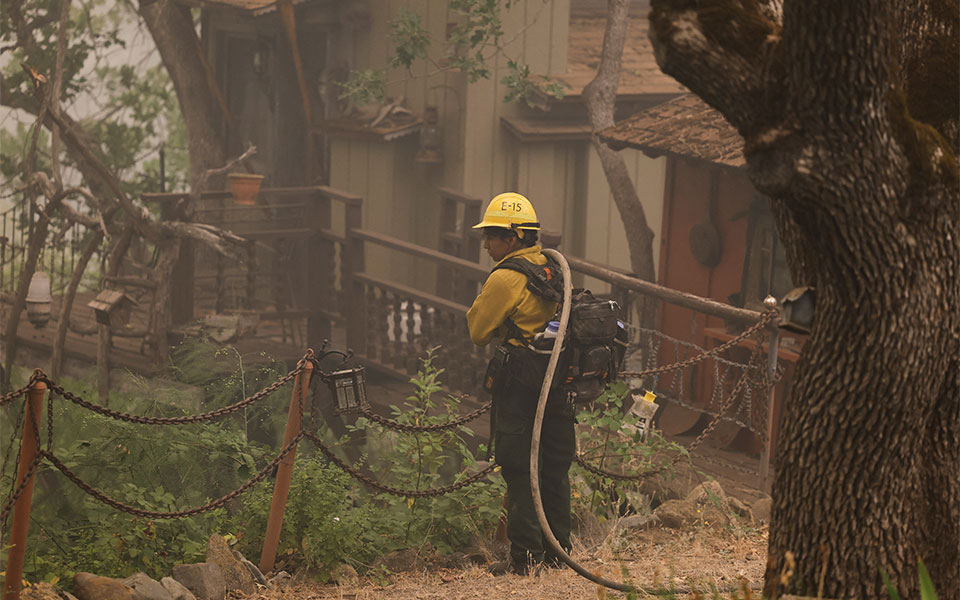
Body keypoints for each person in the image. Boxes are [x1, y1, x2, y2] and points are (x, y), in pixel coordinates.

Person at [465, 192, 575, 576]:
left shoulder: (506, 278)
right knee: (554, 465)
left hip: (521, 386)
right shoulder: (553, 267)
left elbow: (479, 331)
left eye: (491, 236)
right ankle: (559, 552)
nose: (485, 245)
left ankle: (525, 558)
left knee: (518, 466)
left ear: (511, 238)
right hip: (558, 381)